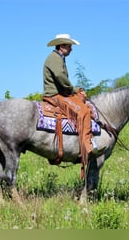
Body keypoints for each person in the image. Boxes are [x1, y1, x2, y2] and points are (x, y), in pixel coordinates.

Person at [43, 34, 97, 165]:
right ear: (62, 46)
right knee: (83, 110)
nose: (71, 49)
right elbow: (60, 78)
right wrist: (74, 90)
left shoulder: (58, 58)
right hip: (55, 95)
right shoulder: (54, 58)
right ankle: (87, 145)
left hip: (60, 93)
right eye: (69, 46)